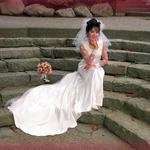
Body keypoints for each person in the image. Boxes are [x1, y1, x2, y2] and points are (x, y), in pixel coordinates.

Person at [6, 18, 110, 136]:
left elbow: (105, 60)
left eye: (97, 32)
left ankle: (93, 100)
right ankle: (89, 100)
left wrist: (98, 64)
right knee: (92, 71)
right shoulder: (83, 45)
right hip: (84, 67)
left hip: (95, 67)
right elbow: (88, 62)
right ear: (87, 33)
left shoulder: (103, 43)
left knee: (96, 72)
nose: (95, 34)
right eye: (92, 31)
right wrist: (94, 50)